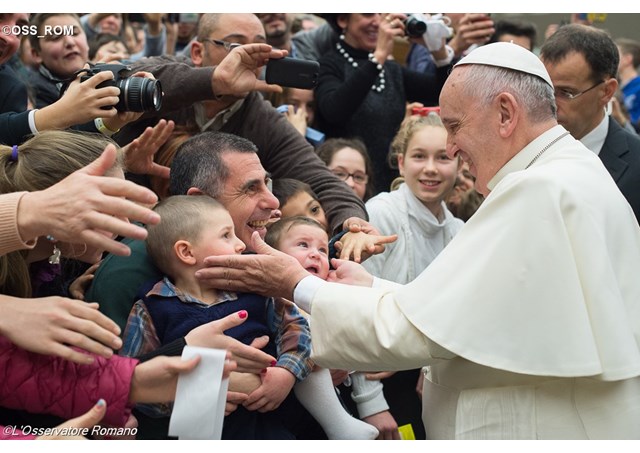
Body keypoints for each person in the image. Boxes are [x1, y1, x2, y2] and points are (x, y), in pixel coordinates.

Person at [196, 42, 640, 439]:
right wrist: (371, 288)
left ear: (505, 113)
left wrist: (297, 284)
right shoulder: (567, 173)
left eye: (455, 125)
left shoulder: (538, 189)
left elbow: (420, 331)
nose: (452, 146)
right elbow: (464, 311)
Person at [122, 196, 378, 440]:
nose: (240, 244)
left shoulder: (256, 289)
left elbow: (298, 329)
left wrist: (286, 372)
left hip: (274, 430)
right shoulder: (151, 307)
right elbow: (134, 382)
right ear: (186, 252)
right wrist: (201, 393)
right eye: (226, 235)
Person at [123, 13, 369, 235]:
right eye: (237, 46)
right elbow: (116, 82)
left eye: (260, 47)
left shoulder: (263, 118)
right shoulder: (172, 73)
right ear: (198, 52)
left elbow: (321, 180)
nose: (250, 58)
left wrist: (353, 224)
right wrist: (213, 81)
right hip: (129, 233)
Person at [315, 13, 453, 194]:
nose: (377, 22)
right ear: (342, 20)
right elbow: (334, 111)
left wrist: (438, 49)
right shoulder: (329, 65)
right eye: (368, 14)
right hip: (349, 185)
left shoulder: (390, 69)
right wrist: (379, 55)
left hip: (390, 186)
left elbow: (442, 91)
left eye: (382, 14)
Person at [540, 24, 640, 223]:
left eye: (565, 93)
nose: (550, 104)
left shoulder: (636, 166)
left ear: (606, 91)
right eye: (543, 90)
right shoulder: (521, 153)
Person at [616, 37, 640, 131]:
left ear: (628, 59)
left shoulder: (638, 87)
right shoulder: (616, 86)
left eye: (617, 55)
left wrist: (620, 117)